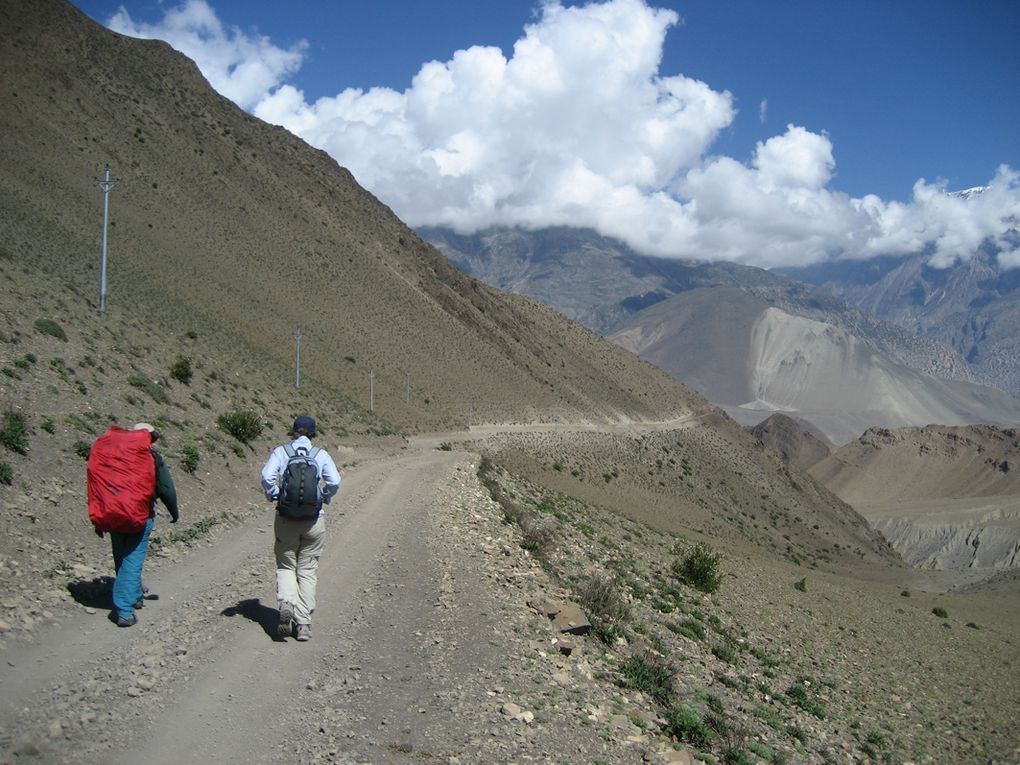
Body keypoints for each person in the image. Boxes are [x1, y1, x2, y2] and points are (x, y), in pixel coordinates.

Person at [260, 416, 340, 641]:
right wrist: (324, 497)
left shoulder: (281, 452)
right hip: (314, 520)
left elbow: (267, 476)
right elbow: (334, 481)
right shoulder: (320, 455)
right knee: (307, 569)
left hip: (285, 517)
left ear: (293, 431)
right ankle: (303, 624)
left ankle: (287, 602)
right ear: (313, 434)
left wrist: (274, 495)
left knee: (286, 564)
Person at [91, 423, 179, 627]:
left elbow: (97, 483)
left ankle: (135, 595)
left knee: (121, 556)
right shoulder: (152, 457)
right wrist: (174, 511)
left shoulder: (113, 455)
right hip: (140, 515)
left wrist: (98, 516)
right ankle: (124, 611)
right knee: (132, 559)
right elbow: (166, 487)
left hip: (111, 513)